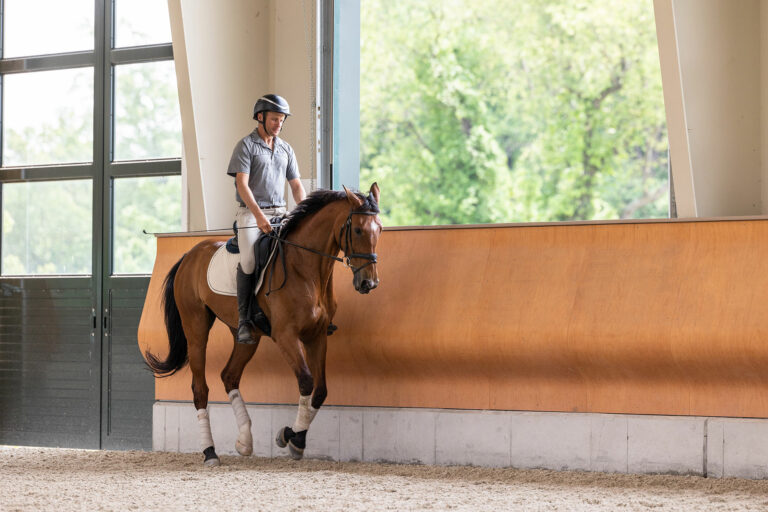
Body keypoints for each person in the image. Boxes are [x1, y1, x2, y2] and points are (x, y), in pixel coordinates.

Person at [227, 94, 306, 344]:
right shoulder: (245, 146)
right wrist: (259, 216)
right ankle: (244, 320)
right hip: (251, 213)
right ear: (260, 117)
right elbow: (242, 184)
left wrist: (303, 211)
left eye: (281, 120)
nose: (278, 124)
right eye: (274, 119)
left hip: (281, 212)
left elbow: (295, 185)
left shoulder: (286, 149)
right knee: (249, 260)